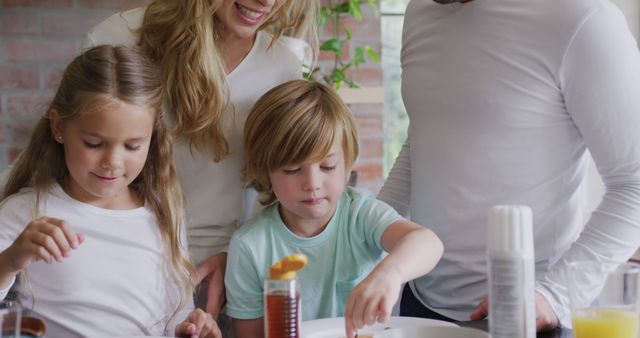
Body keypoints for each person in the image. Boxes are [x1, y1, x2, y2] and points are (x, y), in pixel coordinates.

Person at [378, 0, 640, 331]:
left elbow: (634, 183)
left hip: (533, 314)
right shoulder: (419, 11)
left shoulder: (583, 18)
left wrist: (552, 296)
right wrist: (361, 238)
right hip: (417, 307)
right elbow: (425, 140)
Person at [83, 0, 319, 323]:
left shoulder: (283, 68)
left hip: (215, 281)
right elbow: (76, 157)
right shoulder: (121, 37)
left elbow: (275, 192)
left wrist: (236, 256)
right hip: (114, 264)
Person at [0, 45, 221, 338]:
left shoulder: (163, 215)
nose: (112, 163)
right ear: (58, 127)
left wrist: (190, 329)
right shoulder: (25, 212)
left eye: (132, 146)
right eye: (94, 143)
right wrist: (11, 261)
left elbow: (173, 318)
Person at [224, 79, 444, 338]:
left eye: (327, 166)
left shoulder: (360, 214)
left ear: (347, 162)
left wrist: (390, 273)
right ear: (266, 171)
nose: (312, 184)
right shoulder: (250, 246)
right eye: (293, 170)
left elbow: (427, 242)